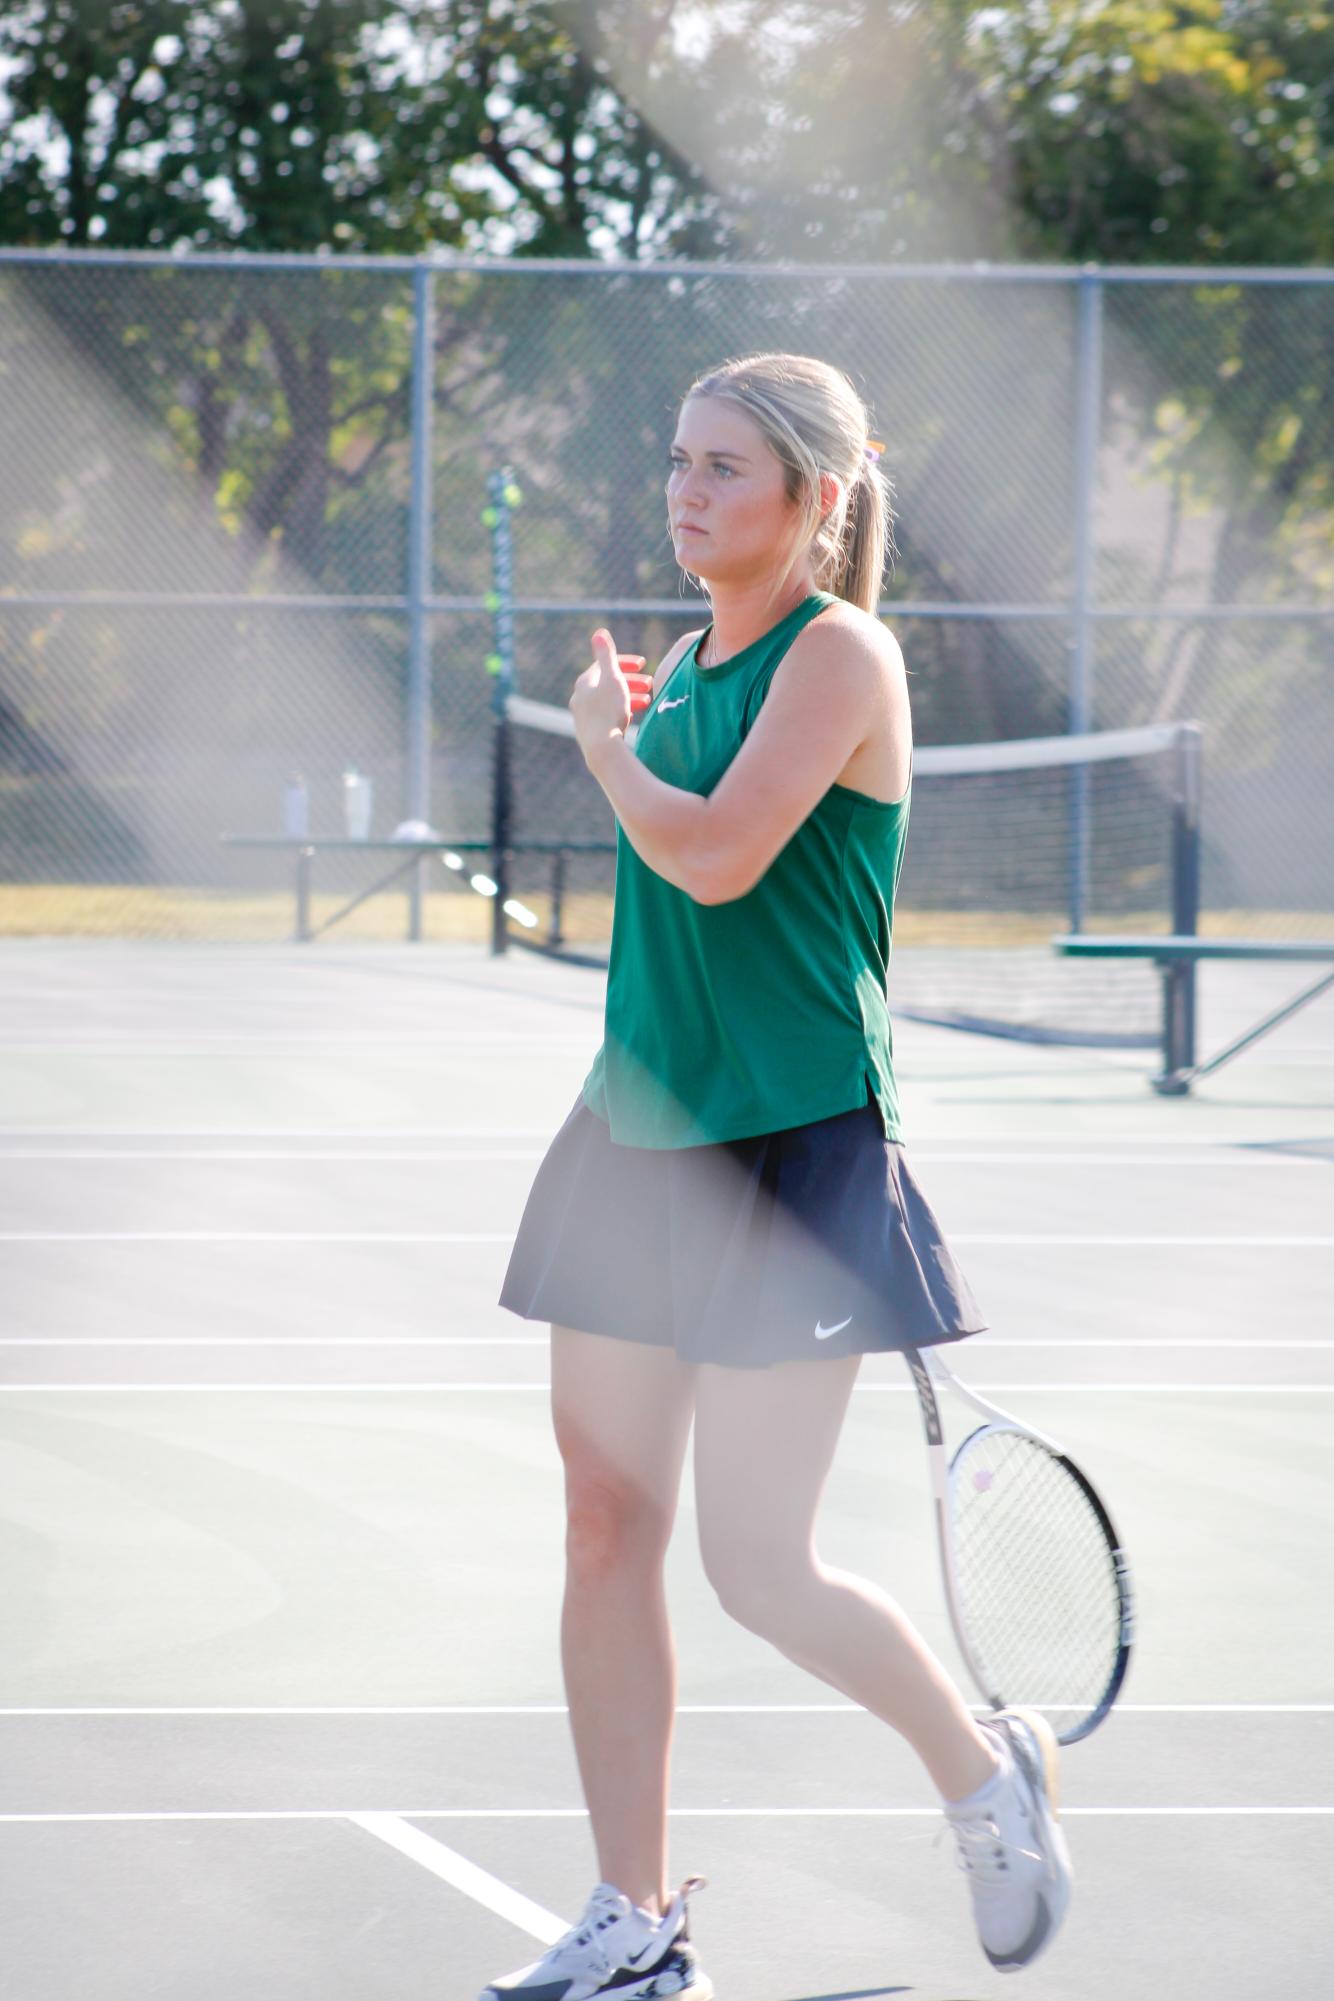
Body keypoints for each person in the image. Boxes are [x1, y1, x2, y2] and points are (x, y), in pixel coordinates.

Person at [488, 352, 1072, 2000]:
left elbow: (720, 855)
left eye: (722, 469)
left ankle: (979, 1770)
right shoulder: (680, 661)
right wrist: (634, 724)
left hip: (789, 1147)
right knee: (605, 1523)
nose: (682, 492)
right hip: (629, 1141)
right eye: (675, 462)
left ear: (814, 502)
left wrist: (604, 748)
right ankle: (633, 1917)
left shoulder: (843, 657)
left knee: (758, 1566)